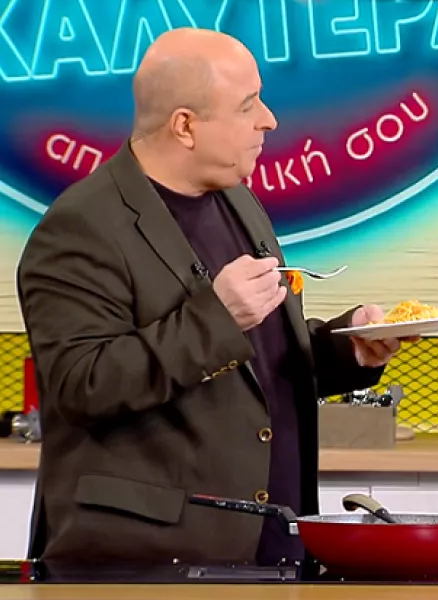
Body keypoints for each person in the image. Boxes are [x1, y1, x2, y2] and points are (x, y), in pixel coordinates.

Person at [16, 28, 411, 565]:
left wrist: (347, 349)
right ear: (185, 125)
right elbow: (81, 385)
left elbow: (252, 364)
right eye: (248, 105)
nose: (269, 120)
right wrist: (217, 317)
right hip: (147, 567)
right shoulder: (82, 226)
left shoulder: (239, 202)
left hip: (273, 553)